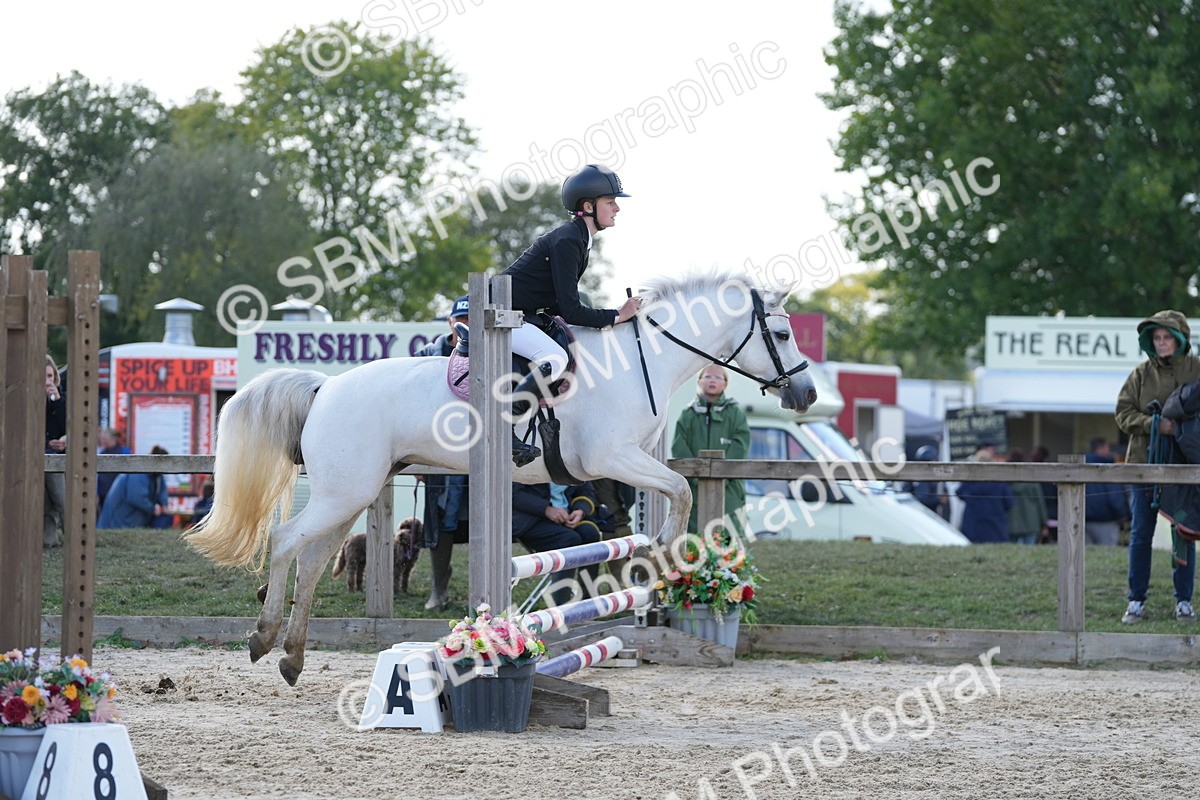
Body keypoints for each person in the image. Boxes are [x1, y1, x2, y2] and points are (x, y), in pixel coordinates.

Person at [501, 164, 641, 466]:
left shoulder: (579, 238)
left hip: (519, 313)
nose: (617, 208)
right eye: (610, 202)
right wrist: (617, 315)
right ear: (588, 206)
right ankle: (504, 424)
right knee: (555, 359)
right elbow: (571, 309)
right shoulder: (569, 240)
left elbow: (556, 305)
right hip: (499, 315)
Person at [1115, 310, 1200, 623]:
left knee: (1183, 531)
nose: (1162, 343)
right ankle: (1136, 600)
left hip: (1185, 467)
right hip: (1143, 464)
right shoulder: (1139, 374)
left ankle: (1184, 601)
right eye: (1157, 338)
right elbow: (1122, 414)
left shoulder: (1197, 369)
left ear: (1179, 339)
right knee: (1140, 533)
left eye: (1167, 337)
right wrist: (1155, 424)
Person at [671, 365, 751, 536]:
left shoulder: (736, 414)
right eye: (707, 376)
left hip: (729, 491)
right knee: (693, 537)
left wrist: (722, 477)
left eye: (718, 377)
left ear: (726, 384)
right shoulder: (688, 414)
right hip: (695, 489)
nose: (712, 380)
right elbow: (679, 447)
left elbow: (740, 446)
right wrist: (696, 479)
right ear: (699, 382)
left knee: (729, 538)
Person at [512, 482, 601, 607]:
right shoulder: (526, 462)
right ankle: (560, 608)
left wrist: (580, 510)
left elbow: (586, 489)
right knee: (569, 540)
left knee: (590, 534)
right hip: (531, 520)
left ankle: (588, 602)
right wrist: (546, 509)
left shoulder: (572, 463)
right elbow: (513, 494)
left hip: (566, 518)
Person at [420, 472, 468, 611]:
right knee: (442, 516)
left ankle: (487, 593)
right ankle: (439, 589)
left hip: (481, 463)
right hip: (444, 464)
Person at [97, 446, 169, 529]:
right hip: (116, 523)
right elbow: (136, 497)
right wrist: (153, 510)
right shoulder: (137, 472)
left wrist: (164, 504)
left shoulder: (157, 475)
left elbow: (162, 490)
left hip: (131, 522)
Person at [955, 447, 1014, 543]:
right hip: (996, 527)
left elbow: (959, 493)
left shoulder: (969, 481)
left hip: (972, 526)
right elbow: (1009, 503)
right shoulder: (1000, 482)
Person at [1083, 437, 1129, 546]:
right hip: (1106, 520)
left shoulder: (1082, 465)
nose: (1110, 452)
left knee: (1085, 554)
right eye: (1108, 448)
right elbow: (1115, 497)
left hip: (1083, 519)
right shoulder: (1108, 467)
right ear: (1101, 449)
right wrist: (1123, 514)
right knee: (1107, 552)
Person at [44, 354, 67, 548]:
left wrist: (57, 402)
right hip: (39, 453)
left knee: (61, 498)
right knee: (47, 503)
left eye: (50, 376)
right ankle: (48, 539)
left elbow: (67, 427)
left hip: (56, 456)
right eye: (43, 377)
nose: (47, 381)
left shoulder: (61, 400)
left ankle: (75, 536)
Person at [1006, 448, 1047, 545]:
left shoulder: (1006, 483)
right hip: (1031, 522)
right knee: (1029, 550)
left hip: (1011, 523)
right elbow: (1040, 503)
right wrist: (1044, 522)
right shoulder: (1032, 481)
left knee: (1011, 553)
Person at [903, 445, 949, 519]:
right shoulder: (922, 477)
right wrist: (938, 499)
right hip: (922, 515)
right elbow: (922, 498)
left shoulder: (933, 476)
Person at [96, 427, 131, 521]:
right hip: (104, 492)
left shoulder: (124, 452)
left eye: (105, 439)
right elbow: (98, 477)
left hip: (120, 493)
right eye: (102, 438)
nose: (102, 441)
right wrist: (97, 493)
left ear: (113, 439)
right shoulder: (102, 453)